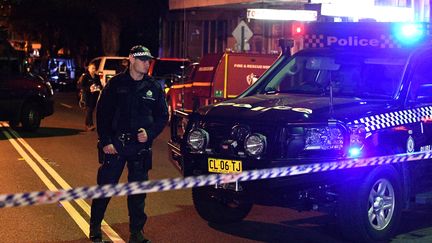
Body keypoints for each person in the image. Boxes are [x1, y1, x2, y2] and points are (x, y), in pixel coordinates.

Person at [89, 45, 168, 243]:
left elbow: (162, 116)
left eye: (149, 60)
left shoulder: (153, 86)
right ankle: (95, 228)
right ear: (132, 59)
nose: (147, 64)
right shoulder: (116, 84)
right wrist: (105, 141)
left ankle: (136, 233)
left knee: (138, 193)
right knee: (105, 188)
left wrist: (149, 134)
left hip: (140, 148)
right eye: (143, 60)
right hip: (115, 145)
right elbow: (103, 113)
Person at [80, 62, 102, 131]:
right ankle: (90, 125)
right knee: (89, 110)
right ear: (89, 69)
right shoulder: (85, 76)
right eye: (92, 68)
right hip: (87, 96)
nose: (93, 70)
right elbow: (82, 86)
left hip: (94, 96)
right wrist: (89, 88)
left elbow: (100, 85)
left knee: (91, 110)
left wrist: (98, 87)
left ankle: (86, 125)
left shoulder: (97, 76)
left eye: (94, 68)